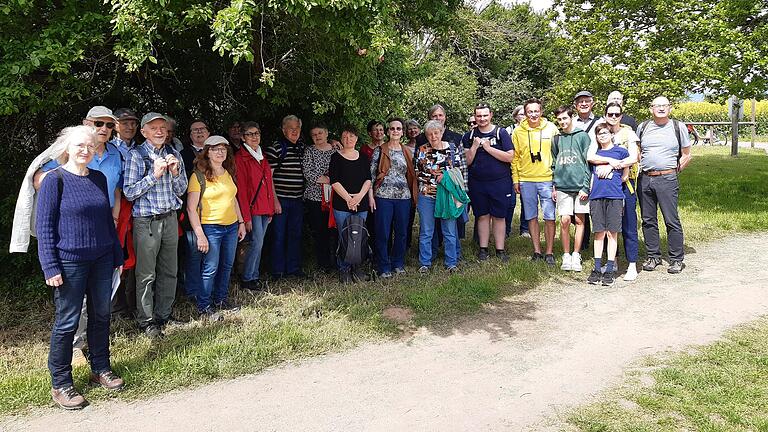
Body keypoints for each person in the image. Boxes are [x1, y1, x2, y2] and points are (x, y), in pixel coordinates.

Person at [36, 126, 125, 410]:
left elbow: (106, 221)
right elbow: (45, 227)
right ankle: (61, 382)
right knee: (67, 321)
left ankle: (101, 368)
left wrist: (116, 255)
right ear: (67, 148)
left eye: (90, 145)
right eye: (79, 146)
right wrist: (50, 266)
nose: (85, 150)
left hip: (101, 259)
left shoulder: (98, 178)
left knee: (101, 314)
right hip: (70, 261)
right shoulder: (55, 180)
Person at [123, 112, 187, 338]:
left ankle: (164, 315)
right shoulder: (136, 155)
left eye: (163, 127)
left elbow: (181, 190)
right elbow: (129, 193)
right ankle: (147, 321)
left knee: (170, 271)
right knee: (146, 274)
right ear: (144, 132)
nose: (159, 131)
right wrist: (154, 175)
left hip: (169, 218)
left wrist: (176, 172)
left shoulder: (173, 153)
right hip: (146, 222)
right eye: (154, 128)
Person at [186, 136, 246, 317]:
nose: (220, 152)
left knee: (227, 265)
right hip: (211, 227)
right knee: (210, 267)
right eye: (215, 149)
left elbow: (233, 199)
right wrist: (200, 235)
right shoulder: (198, 176)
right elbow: (190, 208)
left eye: (223, 148)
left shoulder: (228, 172)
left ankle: (221, 299)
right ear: (207, 152)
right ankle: (204, 305)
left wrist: (241, 222)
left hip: (231, 226)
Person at [637, 96, 692, 274]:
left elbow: (686, 154)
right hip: (645, 178)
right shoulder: (643, 127)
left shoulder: (678, 127)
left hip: (667, 179)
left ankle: (676, 259)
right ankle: (653, 256)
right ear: (651, 108)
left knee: (671, 220)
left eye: (664, 105)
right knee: (648, 219)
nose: (661, 108)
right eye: (657, 105)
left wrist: (675, 171)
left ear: (670, 108)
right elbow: (638, 150)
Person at [588, 102, 641, 281]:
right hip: (602, 188)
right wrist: (609, 163)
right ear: (604, 115)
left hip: (624, 183)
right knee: (606, 227)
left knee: (627, 224)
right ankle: (613, 262)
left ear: (621, 115)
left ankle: (632, 263)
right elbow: (590, 156)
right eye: (610, 114)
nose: (613, 117)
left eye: (617, 114)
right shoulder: (598, 134)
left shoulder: (628, 133)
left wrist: (613, 167)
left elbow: (633, 157)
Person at [415, 120, 469, 272]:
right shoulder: (422, 150)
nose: (433, 136)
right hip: (427, 195)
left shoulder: (452, 148)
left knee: (450, 231)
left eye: (436, 133)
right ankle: (425, 263)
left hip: (447, 195)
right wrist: (437, 176)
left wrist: (443, 176)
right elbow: (418, 173)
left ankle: (451, 262)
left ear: (441, 133)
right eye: (430, 134)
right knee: (426, 231)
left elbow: (458, 170)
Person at [464, 102, 514, 262]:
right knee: (482, 216)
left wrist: (488, 148)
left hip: (500, 182)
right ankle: (483, 249)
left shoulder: (501, 133)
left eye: (485, 115)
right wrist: (474, 146)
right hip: (477, 183)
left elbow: (509, 157)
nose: (482, 118)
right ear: (475, 116)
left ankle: (500, 250)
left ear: (491, 115)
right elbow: (467, 161)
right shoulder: (469, 136)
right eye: (479, 116)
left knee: (499, 216)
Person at [512, 98, 560, 266]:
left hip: (547, 179)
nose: (533, 114)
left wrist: (556, 181)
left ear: (541, 112)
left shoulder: (552, 128)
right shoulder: (518, 132)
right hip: (526, 179)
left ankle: (549, 252)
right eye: (530, 111)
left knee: (549, 216)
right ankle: (537, 251)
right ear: (525, 114)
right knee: (531, 216)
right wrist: (516, 179)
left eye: (536, 111)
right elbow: (515, 157)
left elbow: (558, 154)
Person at [370, 118, 417, 277]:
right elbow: (371, 176)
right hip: (383, 196)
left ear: (402, 132)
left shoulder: (407, 151)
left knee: (402, 232)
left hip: (404, 197)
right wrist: (370, 196)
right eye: (392, 128)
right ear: (388, 131)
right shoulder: (380, 150)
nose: (395, 131)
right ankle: (383, 266)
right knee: (383, 232)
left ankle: (398, 263)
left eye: (398, 128)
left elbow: (412, 174)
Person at [587, 123, 629, 286]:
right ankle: (597, 268)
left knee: (612, 233)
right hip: (596, 196)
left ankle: (610, 268)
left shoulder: (621, 152)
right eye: (599, 133)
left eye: (605, 132)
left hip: (615, 196)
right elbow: (590, 163)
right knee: (599, 232)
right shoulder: (595, 153)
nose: (602, 135)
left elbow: (625, 174)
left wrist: (612, 169)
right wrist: (610, 162)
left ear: (612, 134)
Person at [265, 115, 306, 279]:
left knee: (295, 235)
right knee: (278, 236)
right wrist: (274, 201)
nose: (294, 131)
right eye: (290, 128)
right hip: (280, 200)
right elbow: (269, 178)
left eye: (297, 128)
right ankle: (277, 271)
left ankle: (293, 269)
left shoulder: (302, 148)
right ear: (283, 130)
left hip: (298, 199)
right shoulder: (276, 148)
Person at [235, 122, 276, 291]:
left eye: (257, 133)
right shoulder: (240, 158)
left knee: (259, 243)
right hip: (252, 209)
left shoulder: (261, 155)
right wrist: (245, 217)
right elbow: (241, 191)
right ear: (243, 137)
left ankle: (254, 275)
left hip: (265, 207)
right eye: (250, 134)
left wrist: (271, 207)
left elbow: (268, 184)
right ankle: (247, 278)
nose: (254, 137)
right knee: (256, 243)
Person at [329, 125, 372, 283]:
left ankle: (358, 269)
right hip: (342, 203)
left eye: (351, 136)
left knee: (359, 236)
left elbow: (368, 179)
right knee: (344, 236)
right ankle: (344, 269)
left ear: (357, 138)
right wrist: (349, 199)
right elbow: (334, 181)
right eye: (345, 136)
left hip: (361, 203)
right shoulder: (335, 157)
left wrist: (359, 197)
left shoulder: (363, 157)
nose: (348, 139)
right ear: (341, 138)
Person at [551, 106, 591, 272]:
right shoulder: (556, 139)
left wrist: (585, 187)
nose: (562, 122)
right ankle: (566, 254)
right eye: (559, 119)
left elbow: (589, 162)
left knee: (580, 220)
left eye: (565, 118)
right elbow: (554, 163)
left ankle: (576, 254)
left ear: (571, 117)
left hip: (580, 185)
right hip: (563, 185)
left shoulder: (582, 136)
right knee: (565, 220)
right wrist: (554, 185)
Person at [179, 120, 210, 302]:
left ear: (208, 133)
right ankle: (192, 290)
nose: (199, 132)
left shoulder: (216, 151)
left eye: (202, 129)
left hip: (215, 212)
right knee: (193, 252)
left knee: (211, 253)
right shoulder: (183, 154)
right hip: (191, 211)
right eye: (195, 130)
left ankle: (207, 288)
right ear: (190, 135)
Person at [303, 124, 337, 272]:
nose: (317, 136)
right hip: (315, 198)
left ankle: (336, 261)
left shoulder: (337, 150)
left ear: (327, 133)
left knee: (334, 231)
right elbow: (307, 172)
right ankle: (323, 264)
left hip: (335, 197)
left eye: (320, 133)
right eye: (314, 134)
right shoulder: (309, 151)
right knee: (320, 231)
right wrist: (327, 179)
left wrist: (332, 179)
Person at [505, 104, 529, 238]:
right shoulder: (508, 130)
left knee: (526, 201)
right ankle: (506, 229)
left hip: (527, 169)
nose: (524, 117)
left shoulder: (531, 130)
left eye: (525, 114)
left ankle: (525, 229)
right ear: (515, 117)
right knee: (511, 202)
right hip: (510, 169)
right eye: (521, 114)